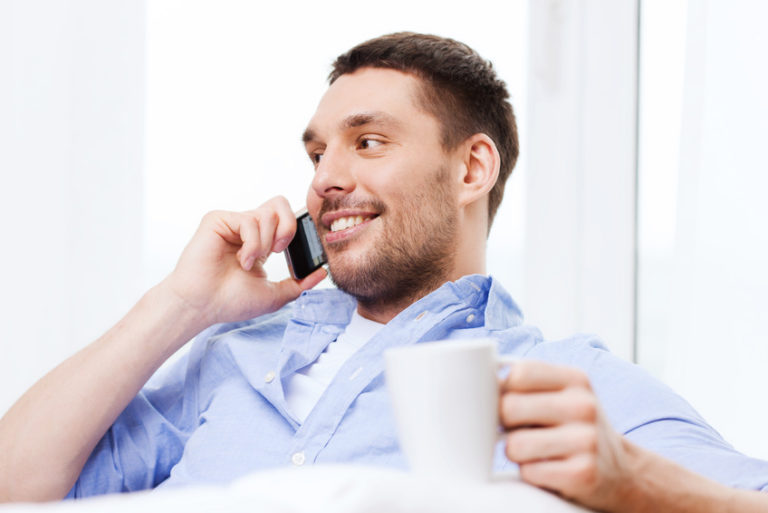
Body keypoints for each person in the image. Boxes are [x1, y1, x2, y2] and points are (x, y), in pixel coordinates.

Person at [0, 32, 767, 512]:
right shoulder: (231, 362)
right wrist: (179, 305)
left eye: (367, 142)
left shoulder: (556, 383)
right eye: (317, 151)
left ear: (472, 168)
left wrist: (633, 481)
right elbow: (14, 485)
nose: (325, 176)